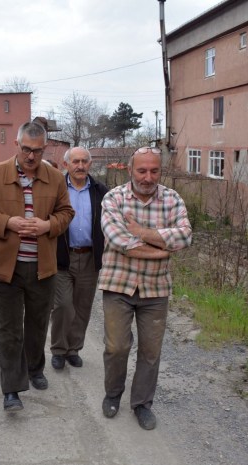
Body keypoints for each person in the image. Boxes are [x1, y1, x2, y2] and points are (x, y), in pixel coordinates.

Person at [0, 121, 74, 411]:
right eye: (27, 149)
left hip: (43, 267)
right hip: (6, 268)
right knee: (10, 328)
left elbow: (66, 212)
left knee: (37, 324)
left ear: (45, 148)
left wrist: (47, 226)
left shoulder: (55, 178)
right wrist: (8, 222)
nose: (31, 156)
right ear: (16, 144)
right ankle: (11, 388)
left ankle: (34, 368)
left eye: (38, 151)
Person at [99, 146, 192, 430]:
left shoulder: (172, 199)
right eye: (141, 170)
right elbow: (119, 240)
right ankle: (113, 393)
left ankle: (142, 404)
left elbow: (184, 236)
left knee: (151, 351)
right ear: (130, 170)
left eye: (154, 171)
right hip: (118, 285)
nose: (148, 177)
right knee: (116, 347)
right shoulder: (113, 198)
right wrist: (161, 249)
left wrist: (141, 232)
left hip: (156, 288)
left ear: (160, 171)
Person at [50, 147, 108, 370]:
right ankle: (58, 349)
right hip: (63, 256)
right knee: (63, 305)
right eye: (76, 161)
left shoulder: (100, 190)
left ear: (90, 164)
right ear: (66, 164)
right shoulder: (57, 189)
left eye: (84, 161)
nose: (80, 166)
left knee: (82, 307)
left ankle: (73, 349)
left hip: (89, 257)